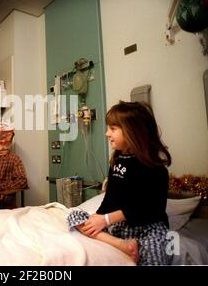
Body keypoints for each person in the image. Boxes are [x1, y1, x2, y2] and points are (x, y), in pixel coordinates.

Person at [67, 101, 172, 265]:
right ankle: (121, 245)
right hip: (119, 226)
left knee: (155, 259)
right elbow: (111, 197)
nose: (107, 133)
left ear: (134, 132)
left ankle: (127, 244)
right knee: (74, 215)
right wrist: (99, 216)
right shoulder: (118, 161)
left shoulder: (156, 170)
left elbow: (150, 208)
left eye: (113, 129)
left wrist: (106, 220)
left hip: (147, 228)